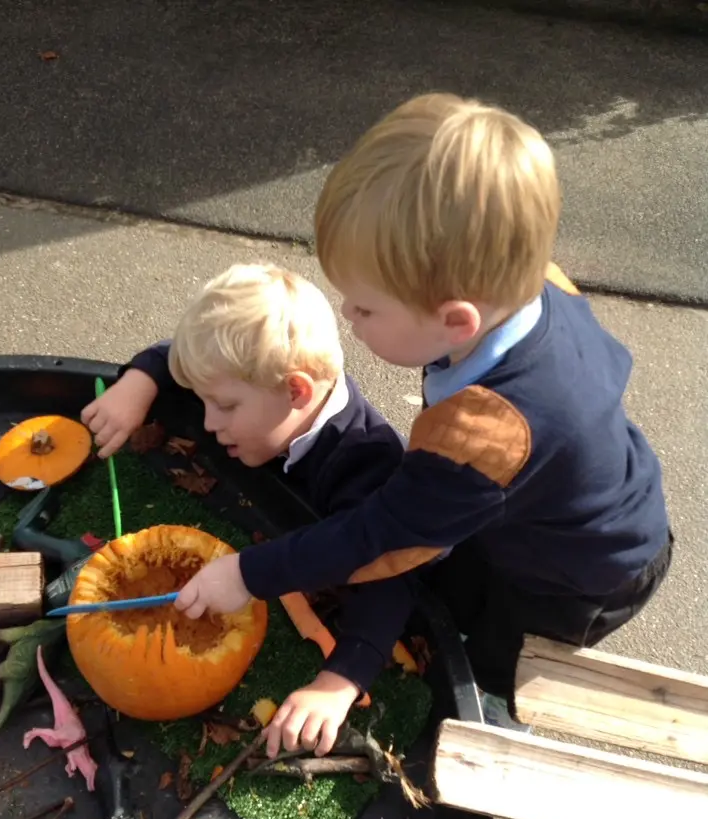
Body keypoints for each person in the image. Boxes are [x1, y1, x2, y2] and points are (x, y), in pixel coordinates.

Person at [174, 92, 673, 748]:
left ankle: (490, 721)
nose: (348, 317)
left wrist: (247, 574)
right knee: (444, 577)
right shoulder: (536, 284)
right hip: (565, 499)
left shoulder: (482, 433)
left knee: (491, 655)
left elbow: (381, 537)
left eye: (367, 309)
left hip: (576, 576)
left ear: (455, 320)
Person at [81, 262, 416, 757]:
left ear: (295, 390)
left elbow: (391, 580)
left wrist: (339, 683)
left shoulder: (368, 464)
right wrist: (140, 383)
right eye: (203, 401)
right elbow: (178, 359)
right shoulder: (260, 390)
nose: (209, 421)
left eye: (225, 407)